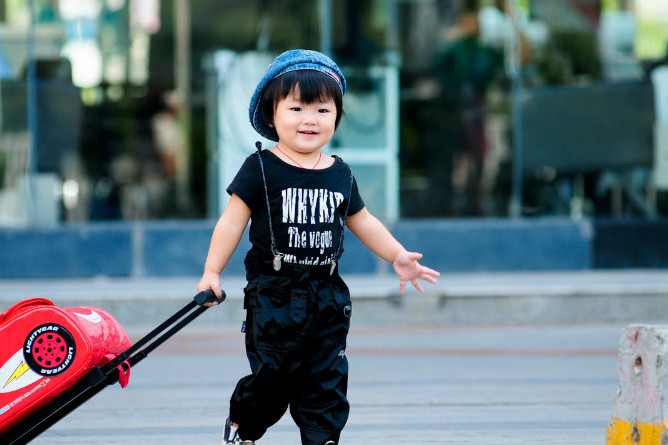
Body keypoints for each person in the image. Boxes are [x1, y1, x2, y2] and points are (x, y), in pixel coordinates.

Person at [197, 49, 440, 445]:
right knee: (274, 376)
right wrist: (212, 273)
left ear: (337, 118)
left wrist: (397, 255)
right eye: (296, 108)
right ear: (272, 114)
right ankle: (244, 425)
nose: (309, 119)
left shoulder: (340, 172)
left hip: (327, 295)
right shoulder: (260, 168)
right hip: (274, 295)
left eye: (323, 111)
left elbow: (362, 220)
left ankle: (322, 437)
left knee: (326, 377)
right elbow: (231, 222)